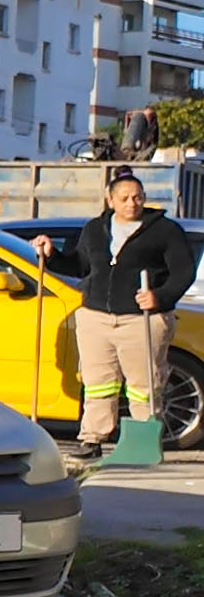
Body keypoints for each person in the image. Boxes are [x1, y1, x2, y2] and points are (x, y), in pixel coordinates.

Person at [32, 172, 195, 456]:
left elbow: (183, 272)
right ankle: (92, 438)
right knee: (97, 382)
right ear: (111, 200)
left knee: (144, 385)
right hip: (97, 316)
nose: (133, 203)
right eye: (125, 198)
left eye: (138, 197)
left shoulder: (165, 230)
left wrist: (160, 296)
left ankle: (143, 444)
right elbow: (80, 266)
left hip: (141, 319)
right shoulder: (95, 228)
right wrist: (52, 254)